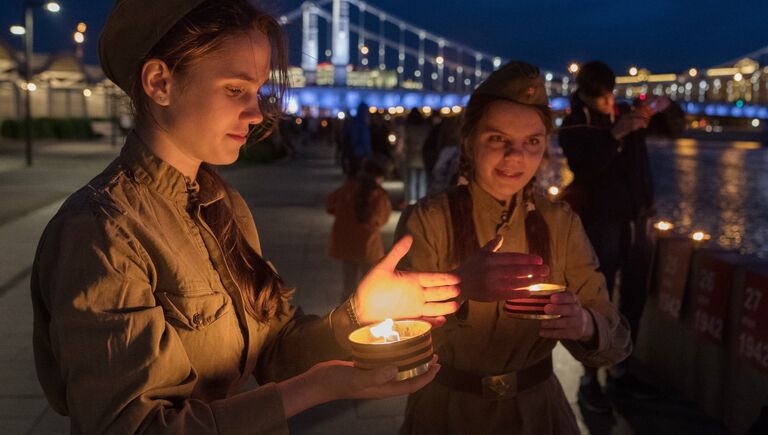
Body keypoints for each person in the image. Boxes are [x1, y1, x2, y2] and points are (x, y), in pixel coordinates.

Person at [30, 1, 462, 433]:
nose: (256, 113)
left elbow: (276, 348)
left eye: (258, 92)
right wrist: (317, 388)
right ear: (160, 82)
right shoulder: (100, 232)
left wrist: (359, 313)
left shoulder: (224, 204)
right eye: (236, 90)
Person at [395, 61, 632, 434]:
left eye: (532, 142)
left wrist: (584, 324)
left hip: (540, 415)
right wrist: (459, 288)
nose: (516, 157)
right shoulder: (427, 221)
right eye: (497, 139)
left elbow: (617, 341)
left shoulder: (561, 223)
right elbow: (396, 342)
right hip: (446, 414)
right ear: (470, 140)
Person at [558, 61, 664, 413]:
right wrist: (615, 134)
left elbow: (667, 132)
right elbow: (586, 171)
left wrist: (654, 112)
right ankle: (590, 380)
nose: (607, 102)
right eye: (601, 97)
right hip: (599, 222)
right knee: (596, 297)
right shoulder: (574, 125)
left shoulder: (624, 113)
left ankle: (622, 370)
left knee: (634, 296)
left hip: (637, 219)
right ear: (586, 95)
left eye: (610, 95)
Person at [327, 156, 393, 303]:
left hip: (346, 244)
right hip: (368, 247)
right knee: (367, 285)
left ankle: (343, 316)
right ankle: (363, 315)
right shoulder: (379, 196)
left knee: (348, 285)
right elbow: (381, 219)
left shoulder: (347, 189)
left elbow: (330, 205)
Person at [404, 108, 430, 204]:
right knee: (422, 181)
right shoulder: (425, 129)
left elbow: (405, 144)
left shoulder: (408, 129)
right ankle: (421, 202)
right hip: (422, 158)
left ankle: (412, 201)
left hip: (411, 157)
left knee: (412, 180)